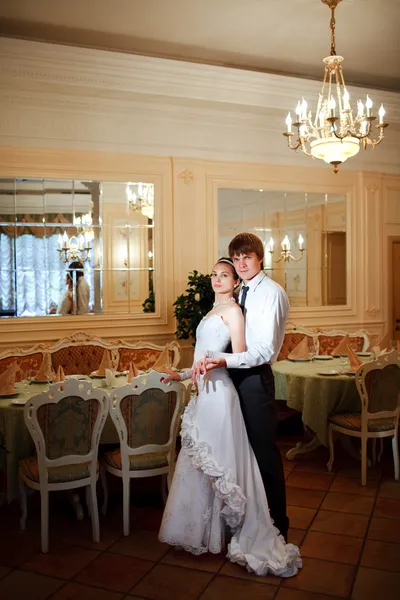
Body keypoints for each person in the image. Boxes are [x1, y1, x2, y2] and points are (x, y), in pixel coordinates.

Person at [158, 257, 300, 577]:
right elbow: (201, 359)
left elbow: (236, 355)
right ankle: (203, 530)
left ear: (237, 282)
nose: (218, 279)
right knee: (201, 464)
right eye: (215, 274)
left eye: (226, 275)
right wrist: (180, 375)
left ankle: (236, 531)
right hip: (204, 394)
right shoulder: (211, 311)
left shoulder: (234, 311)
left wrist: (215, 364)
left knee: (219, 462)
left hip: (220, 395)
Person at [194, 233, 290, 540]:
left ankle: (277, 523)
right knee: (239, 454)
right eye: (236, 259)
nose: (241, 264)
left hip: (255, 381)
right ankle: (245, 516)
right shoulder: (241, 292)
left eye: (247, 257)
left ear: (260, 258)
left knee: (263, 454)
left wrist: (220, 360)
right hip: (233, 380)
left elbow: (264, 351)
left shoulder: (270, 293)